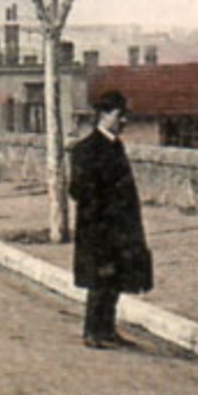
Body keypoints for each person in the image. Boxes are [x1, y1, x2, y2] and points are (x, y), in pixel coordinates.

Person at [68, 91, 153, 349]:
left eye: (125, 115)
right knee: (100, 278)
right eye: (119, 115)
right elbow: (78, 191)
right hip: (99, 226)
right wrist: (100, 218)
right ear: (103, 116)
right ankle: (92, 331)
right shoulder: (86, 149)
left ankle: (107, 329)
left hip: (120, 226)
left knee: (115, 279)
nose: (124, 120)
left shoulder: (116, 145)